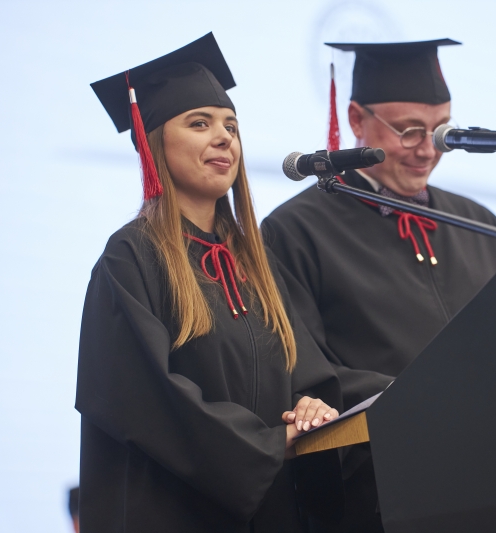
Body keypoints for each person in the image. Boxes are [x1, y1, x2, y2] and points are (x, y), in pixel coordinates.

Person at [77, 33, 343, 533]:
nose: (224, 138)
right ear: (153, 140)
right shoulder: (132, 256)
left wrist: (312, 404)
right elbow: (141, 398)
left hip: (271, 512)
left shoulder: (253, 262)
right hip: (174, 513)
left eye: (231, 127)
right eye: (200, 124)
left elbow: (303, 367)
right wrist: (265, 444)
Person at [262, 39, 496, 532]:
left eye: (442, 129)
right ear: (357, 120)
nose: (427, 148)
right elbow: (307, 373)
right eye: (410, 130)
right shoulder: (297, 231)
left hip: (495, 484)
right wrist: (428, 400)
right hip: (379, 492)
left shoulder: (480, 225)